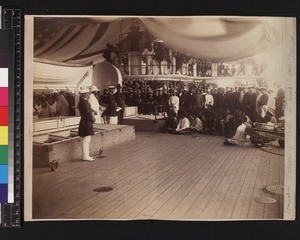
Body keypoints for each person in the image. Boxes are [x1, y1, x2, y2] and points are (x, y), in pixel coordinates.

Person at [78, 87, 95, 161]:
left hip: (84, 121)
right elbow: (87, 113)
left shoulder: (83, 101)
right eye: (88, 93)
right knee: (86, 140)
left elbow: (87, 111)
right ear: (85, 94)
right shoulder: (84, 102)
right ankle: (85, 156)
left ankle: (86, 155)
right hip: (86, 122)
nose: (89, 94)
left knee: (85, 140)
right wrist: (92, 118)